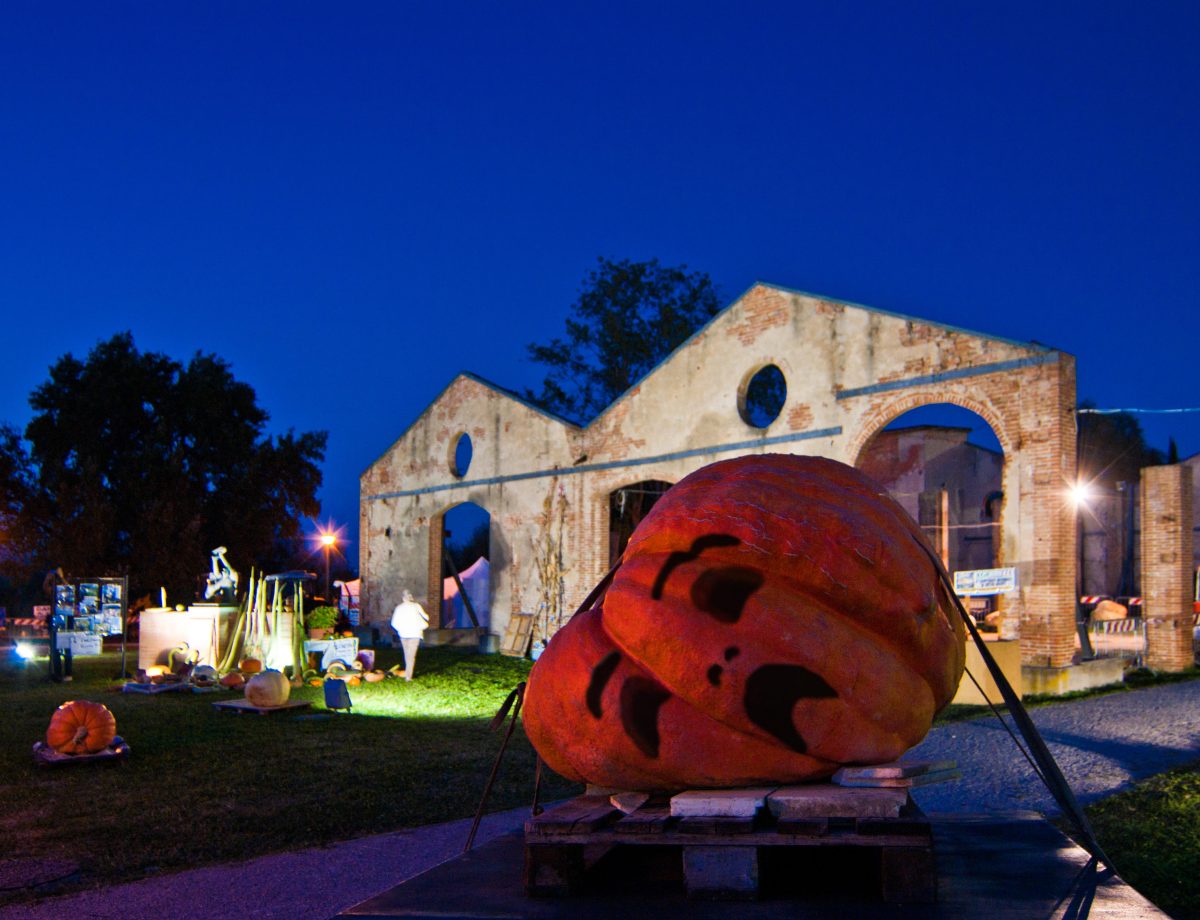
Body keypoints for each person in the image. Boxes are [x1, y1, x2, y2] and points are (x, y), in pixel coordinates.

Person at [390, 590, 429, 681]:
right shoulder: (416, 606)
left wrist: (400, 629)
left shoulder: (399, 608)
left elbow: (394, 623)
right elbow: (426, 617)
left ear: (403, 599)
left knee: (407, 654)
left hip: (404, 634)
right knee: (411, 655)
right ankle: (408, 675)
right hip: (415, 633)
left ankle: (408, 673)